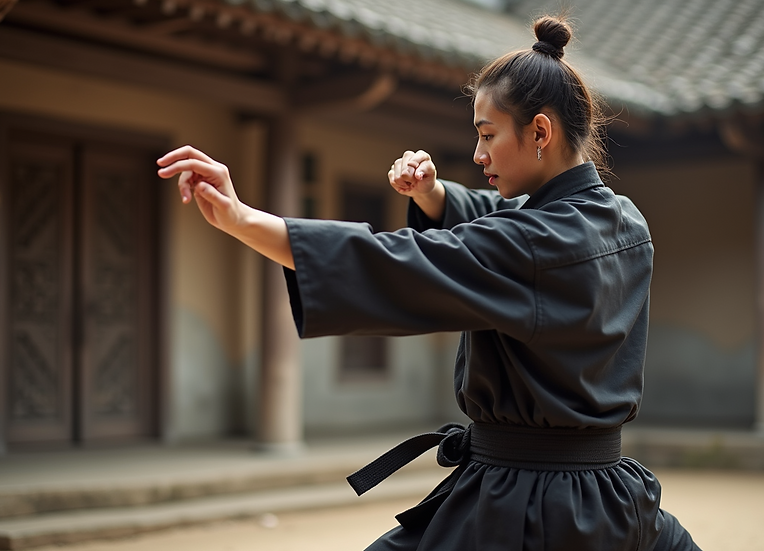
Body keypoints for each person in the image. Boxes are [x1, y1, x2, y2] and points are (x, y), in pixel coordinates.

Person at [157, 15, 700, 551]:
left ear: (540, 131)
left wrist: (243, 220)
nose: (478, 154)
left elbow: (421, 258)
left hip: (530, 505)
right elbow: (507, 229)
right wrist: (436, 198)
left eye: (487, 135)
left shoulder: (537, 244)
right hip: (605, 490)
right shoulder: (623, 220)